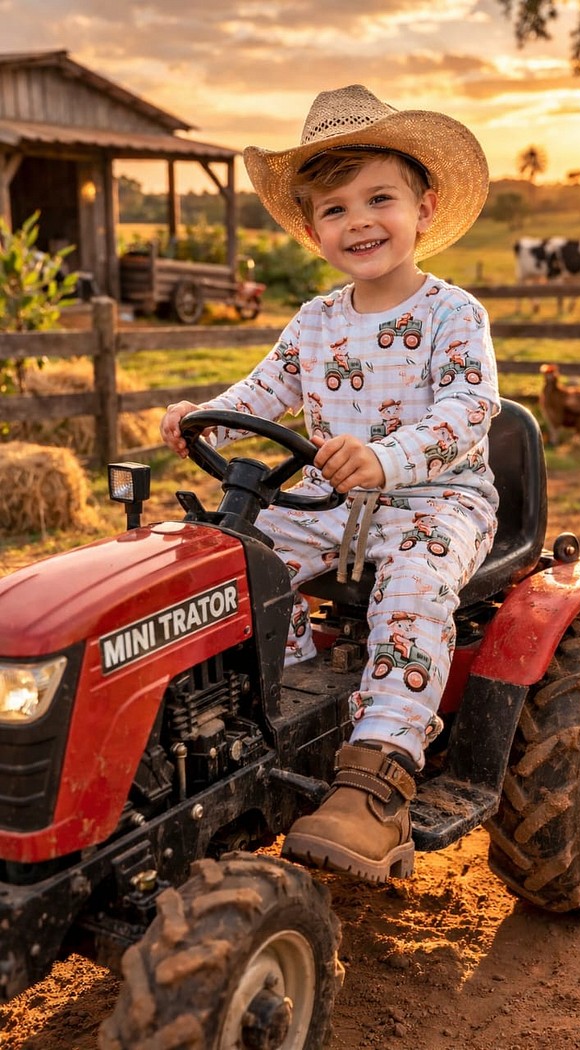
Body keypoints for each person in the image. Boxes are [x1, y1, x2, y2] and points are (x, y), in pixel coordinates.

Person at [160, 84, 500, 883]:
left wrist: (388, 459)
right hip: (336, 508)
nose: (360, 222)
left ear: (425, 206)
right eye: (336, 210)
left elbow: (472, 407)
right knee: (235, 559)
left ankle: (377, 778)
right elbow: (258, 395)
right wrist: (198, 413)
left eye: (379, 198)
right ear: (313, 231)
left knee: (414, 580)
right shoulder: (315, 320)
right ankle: (279, 711)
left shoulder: (455, 314)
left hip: (437, 500)